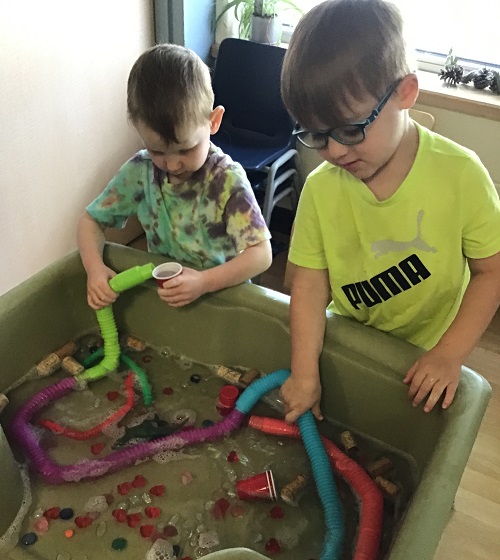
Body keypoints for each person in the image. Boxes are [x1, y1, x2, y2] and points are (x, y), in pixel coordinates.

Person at [279, 0, 500, 421]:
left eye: (350, 129)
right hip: (350, 337)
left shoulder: (461, 175)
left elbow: (493, 270)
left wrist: (449, 355)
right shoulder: (321, 189)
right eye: (317, 136)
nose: (336, 151)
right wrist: (305, 373)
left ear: (405, 93)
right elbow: (308, 285)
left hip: (427, 348)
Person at [77, 44, 272, 310]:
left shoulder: (226, 181)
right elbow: (91, 222)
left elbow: (261, 256)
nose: (172, 164)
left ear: (213, 122)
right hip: (171, 300)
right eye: (157, 150)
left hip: (223, 302)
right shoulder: (141, 171)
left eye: (185, 149)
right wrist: (95, 269)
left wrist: (204, 282)